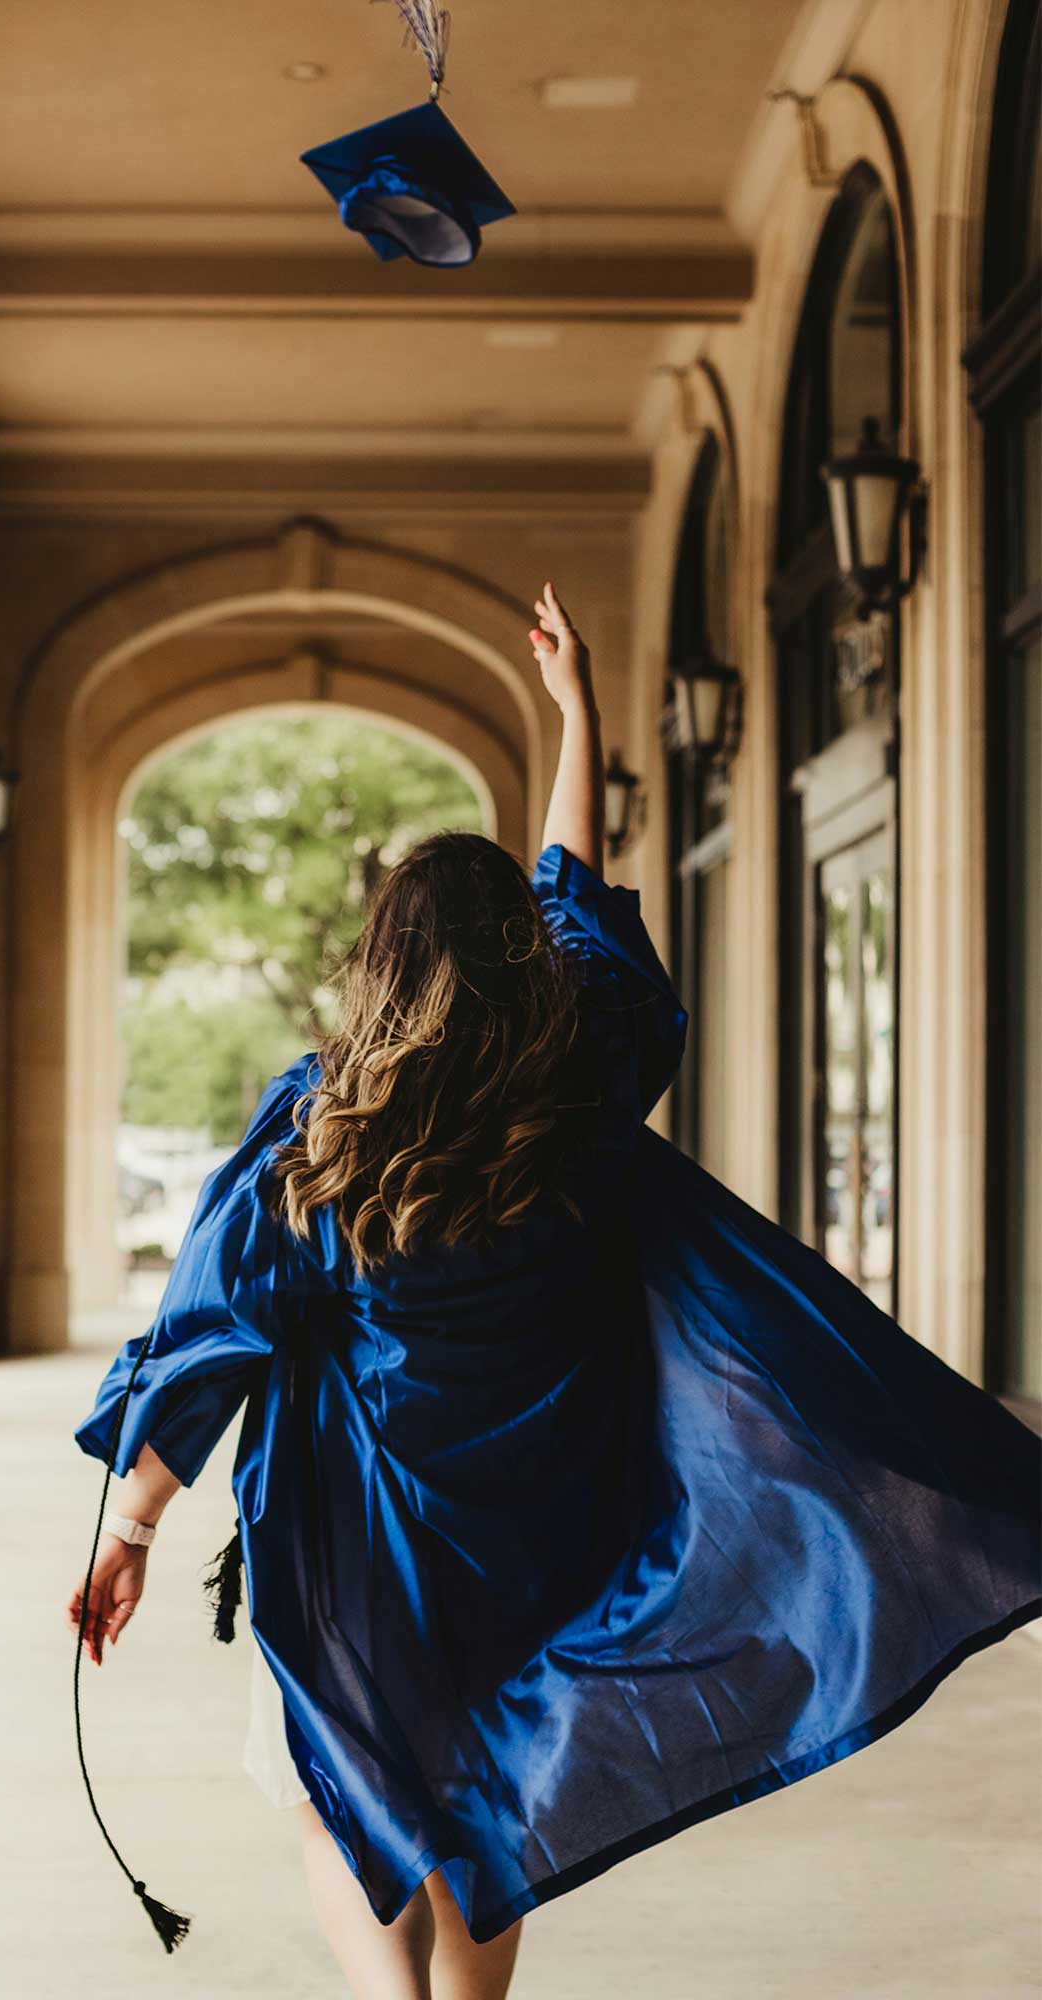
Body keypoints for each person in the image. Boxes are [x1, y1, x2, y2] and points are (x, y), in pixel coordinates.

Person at [68, 583, 1042, 1998]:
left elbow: (212, 1334)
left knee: (327, 1758)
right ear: (522, 963)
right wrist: (576, 709)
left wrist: (137, 1526)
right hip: (536, 1515)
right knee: (486, 1784)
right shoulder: (578, 1087)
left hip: (365, 1528)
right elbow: (579, 895)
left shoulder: (318, 1132)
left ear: (381, 964)